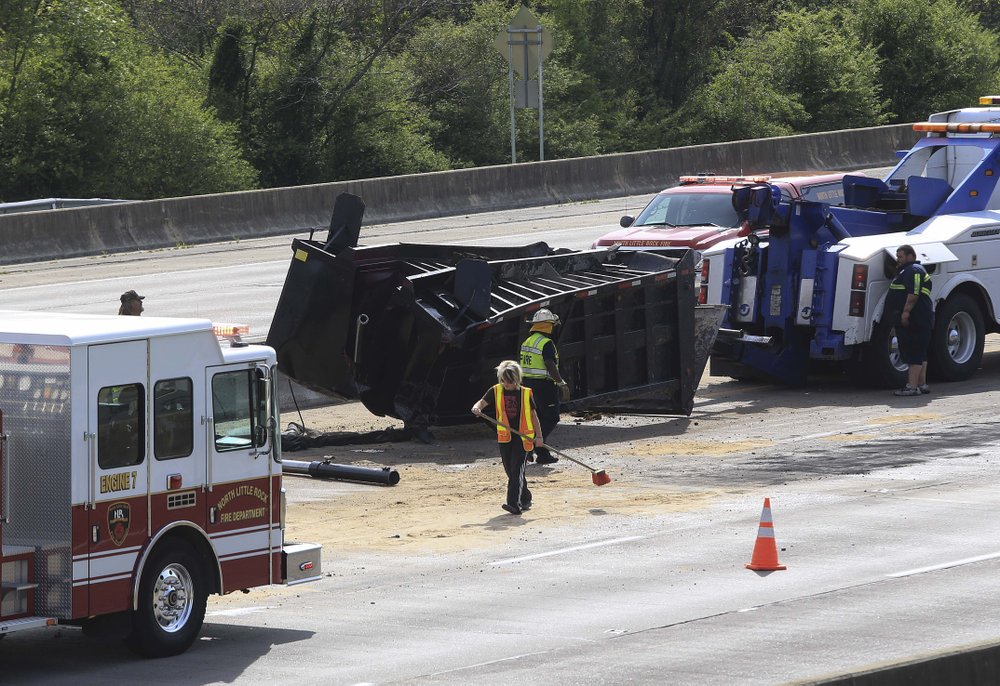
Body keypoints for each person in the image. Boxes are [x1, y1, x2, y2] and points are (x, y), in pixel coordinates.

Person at [471, 360, 544, 516]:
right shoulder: (496, 390)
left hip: (523, 438)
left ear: (516, 380)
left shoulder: (525, 393)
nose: (506, 384)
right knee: (511, 472)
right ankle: (525, 497)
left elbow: (533, 416)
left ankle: (514, 504)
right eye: (503, 381)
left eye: (509, 382)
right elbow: (482, 402)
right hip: (505, 437)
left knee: (517, 469)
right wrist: (477, 407)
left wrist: (539, 436)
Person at [519, 308, 568, 465]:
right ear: (547, 326)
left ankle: (542, 453)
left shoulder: (528, 341)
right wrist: (561, 383)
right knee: (551, 417)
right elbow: (549, 364)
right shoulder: (546, 343)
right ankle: (531, 446)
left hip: (527, 384)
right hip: (543, 386)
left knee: (538, 419)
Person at [886, 244, 933, 396]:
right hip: (919, 318)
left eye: (900, 257)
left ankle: (911, 387)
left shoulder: (913, 270)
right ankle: (921, 384)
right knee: (920, 352)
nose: (897, 260)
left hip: (915, 318)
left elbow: (913, 294)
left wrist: (905, 313)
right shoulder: (909, 271)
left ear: (911, 256)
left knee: (913, 352)